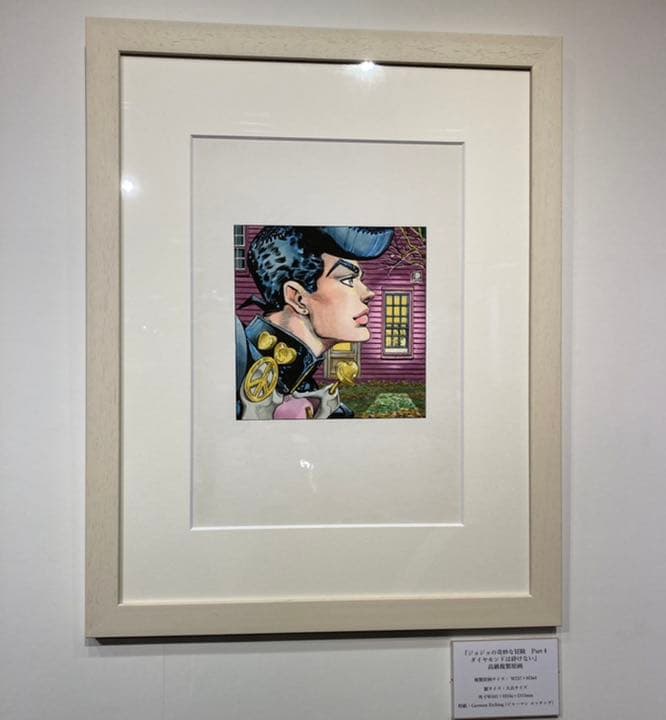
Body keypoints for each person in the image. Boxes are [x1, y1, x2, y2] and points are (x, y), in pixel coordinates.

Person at [236, 226, 393, 419]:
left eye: (360, 279)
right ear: (297, 298)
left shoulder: (319, 402)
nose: (368, 293)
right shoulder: (234, 363)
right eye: (347, 280)